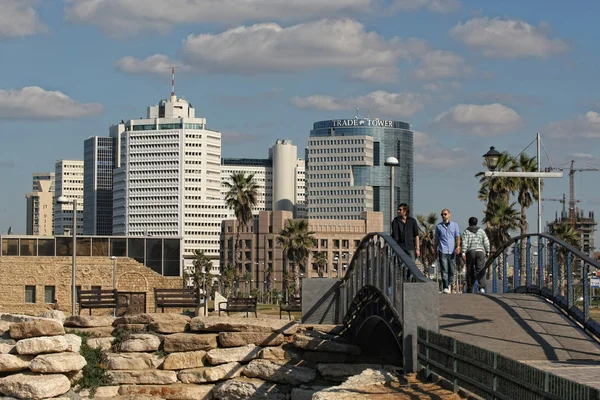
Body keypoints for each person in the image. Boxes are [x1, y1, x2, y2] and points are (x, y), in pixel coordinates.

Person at [461, 217, 490, 294]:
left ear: (469, 223)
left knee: (470, 270)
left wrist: (463, 252)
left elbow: (464, 242)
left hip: (470, 252)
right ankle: (481, 287)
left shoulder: (466, 231)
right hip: (480, 251)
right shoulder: (481, 231)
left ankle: (470, 288)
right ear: (476, 223)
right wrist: (488, 251)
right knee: (481, 269)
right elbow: (486, 241)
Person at [435, 209, 461, 294]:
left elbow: (457, 236)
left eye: (445, 214)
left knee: (452, 270)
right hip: (443, 250)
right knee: (444, 269)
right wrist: (435, 250)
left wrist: (458, 246)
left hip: (452, 251)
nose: (443, 216)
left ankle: (449, 283)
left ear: (449, 214)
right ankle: (445, 286)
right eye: (442, 214)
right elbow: (436, 240)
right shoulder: (438, 226)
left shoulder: (455, 225)